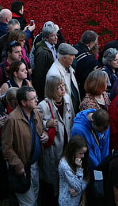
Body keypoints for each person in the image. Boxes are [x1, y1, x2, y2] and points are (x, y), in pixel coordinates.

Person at [2, 86, 48, 206]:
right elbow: (7, 148)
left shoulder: (35, 113)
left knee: (35, 195)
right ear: (23, 102)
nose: (37, 100)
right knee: (29, 202)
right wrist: (18, 165)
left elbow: (41, 130)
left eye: (36, 97)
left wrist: (45, 135)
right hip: (22, 167)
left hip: (35, 165)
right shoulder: (12, 120)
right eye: (33, 99)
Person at [37, 75, 75, 205]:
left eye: (63, 86)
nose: (63, 89)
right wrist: (46, 124)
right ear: (52, 89)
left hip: (66, 145)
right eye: (59, 87)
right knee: (52, 178)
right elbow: (36, 123)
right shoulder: (43, 105)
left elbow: (72, 118)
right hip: (53, 148)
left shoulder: (67, 99)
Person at [46, 42, 81, 114]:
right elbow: (54, 100)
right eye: (72, 55)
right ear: (64, 58)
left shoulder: (69, 68)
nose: (74, 57)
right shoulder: (54, 74)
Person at [59, 136, 89, 206]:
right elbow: (77, 186)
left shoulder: (80, 160)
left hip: (77, 200)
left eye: (84, 153)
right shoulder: (64, 166)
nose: (83, 156)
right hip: (67, 202)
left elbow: (86, 178)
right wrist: (79, 168)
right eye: (80, 153)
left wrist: (79, 190)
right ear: (73, 152)